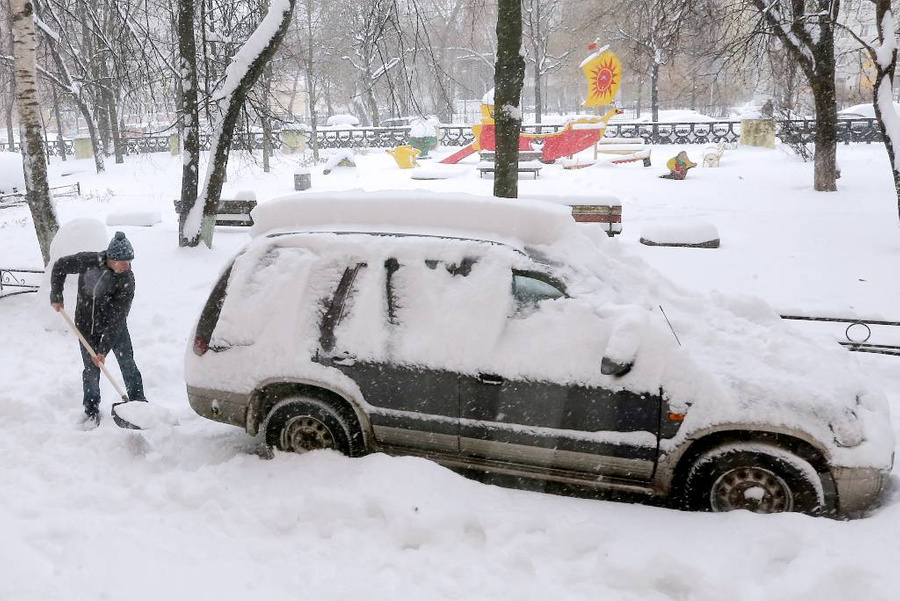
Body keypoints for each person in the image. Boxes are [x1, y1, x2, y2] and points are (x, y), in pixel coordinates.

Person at [50, 231, 146, 427]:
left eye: (130, 261)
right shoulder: (89, 261)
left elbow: (118, 317)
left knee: (127, 362)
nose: (127, 266)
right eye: (123, 262)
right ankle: (91, 410)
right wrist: (56, 295)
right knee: (91, 370)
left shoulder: (127, 280)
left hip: (114, 327)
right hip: (86, 326)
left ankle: (139, 403)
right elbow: (60, 266)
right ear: (111, 258)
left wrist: (103, 350)